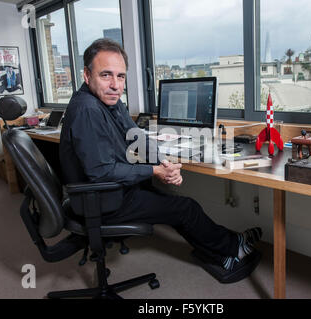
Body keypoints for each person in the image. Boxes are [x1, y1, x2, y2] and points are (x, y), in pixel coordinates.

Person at [59, 38, 262, 281]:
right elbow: (101, 172)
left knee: (174, 204)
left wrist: (164, 163)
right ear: (86, 75)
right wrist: (155, 172)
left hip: (109, 192)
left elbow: (135, 136)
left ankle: (224, 249)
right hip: (100, 199)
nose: (115, 85)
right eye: (106, 75)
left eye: (121, 76)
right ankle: (233, 248)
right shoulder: (88, 110)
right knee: (185, 208)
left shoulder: (109, 102)